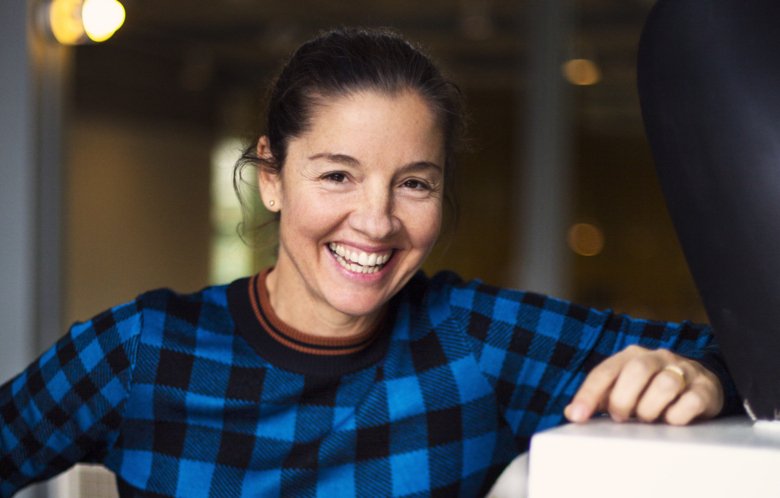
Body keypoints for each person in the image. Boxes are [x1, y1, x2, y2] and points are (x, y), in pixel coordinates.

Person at [0, 27, 738, 497]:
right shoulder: (142, 350)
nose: (378, 221)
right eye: (338, 175)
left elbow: (733, 359)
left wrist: (699, 374)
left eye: (414, 182)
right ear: (270, 176)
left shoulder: (476, 340)